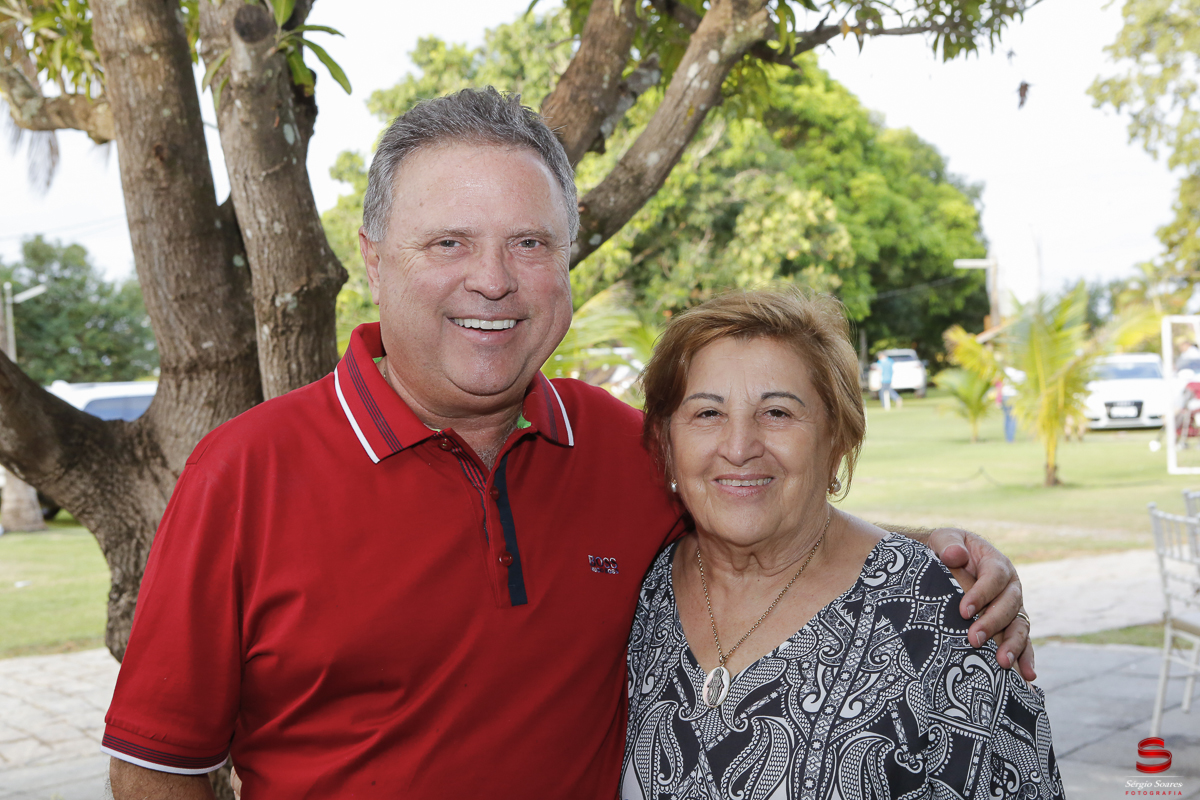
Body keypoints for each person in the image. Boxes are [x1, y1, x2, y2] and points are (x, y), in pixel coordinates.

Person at [104, 89, 1032, 799]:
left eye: (531, 245)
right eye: (449, 243)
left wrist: (934, 557)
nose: (493, 282)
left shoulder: (626, 448)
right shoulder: (246, 472)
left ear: (568, 265)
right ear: (375, 257)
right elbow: (158, 764)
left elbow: (761, 506)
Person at [623, 289, 1059, 799]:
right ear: (665, 442)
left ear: (838, 440)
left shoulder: (938, 616)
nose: (739, 447)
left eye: (778, 413)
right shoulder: (640, 591)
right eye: (707, 414)